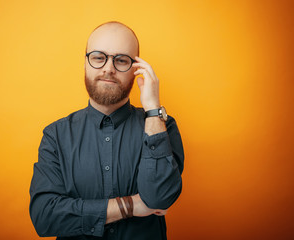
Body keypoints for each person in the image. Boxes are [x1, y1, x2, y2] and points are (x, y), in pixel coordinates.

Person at [29, 21, 184, 239]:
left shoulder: (163, 126)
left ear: (136, 70)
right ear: (85, 63)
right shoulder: (55, 135)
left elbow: (158, 198)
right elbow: (45, 217)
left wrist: (152, 109)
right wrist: (131, 205)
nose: (108, 68)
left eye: (121, 60)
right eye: (98, 57)